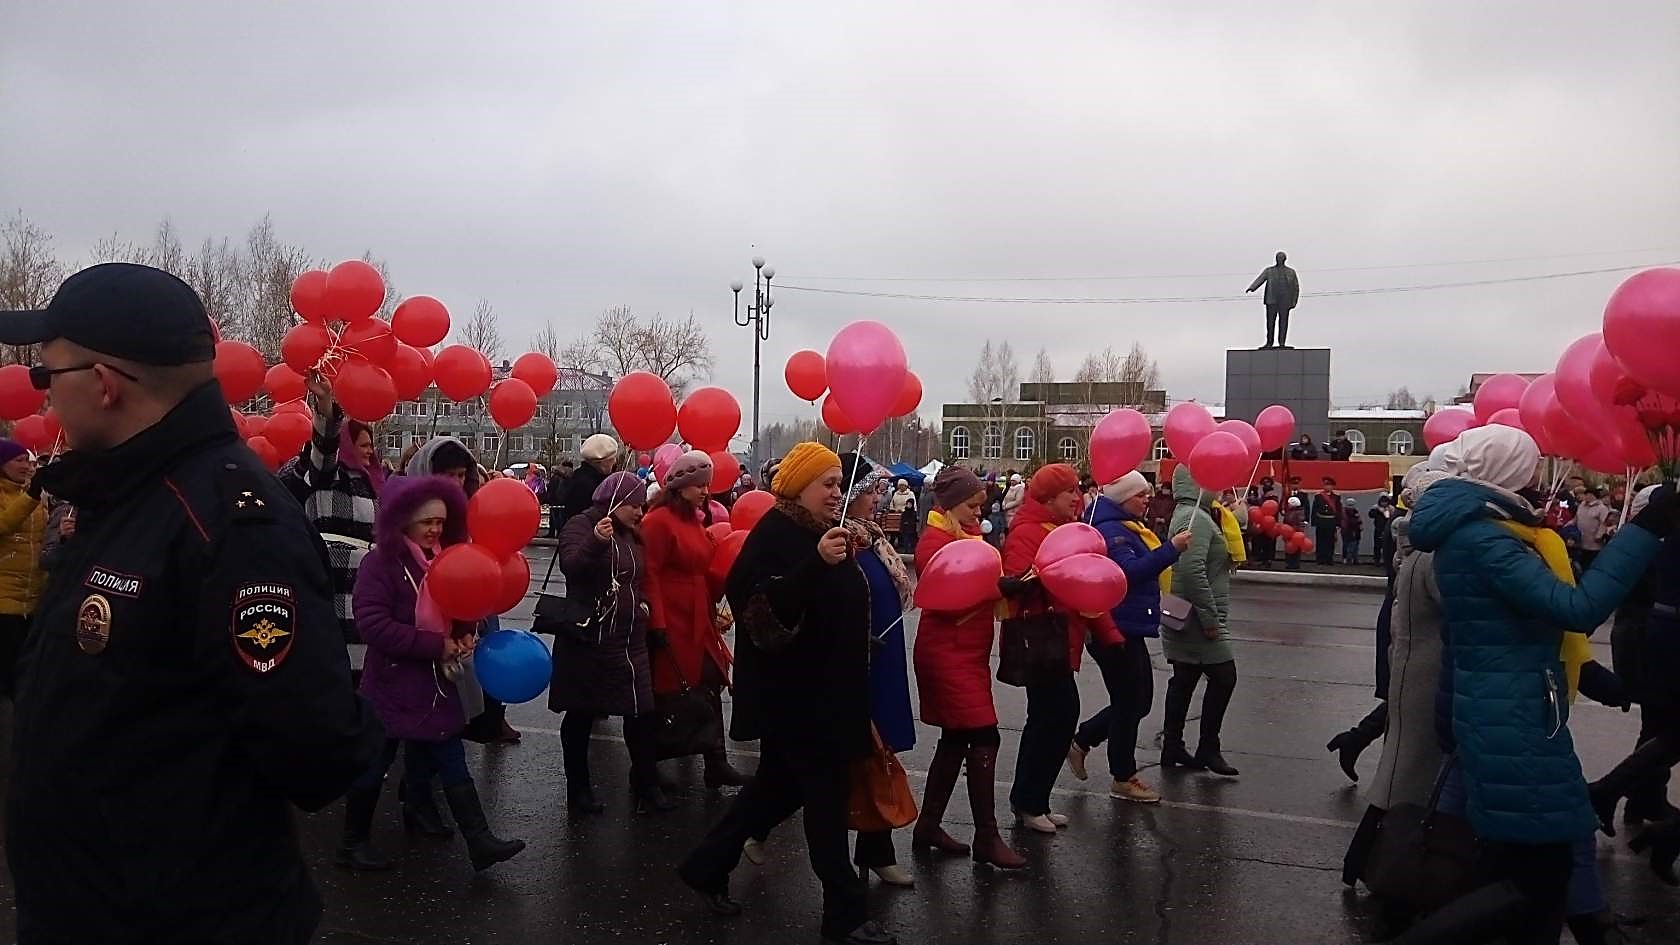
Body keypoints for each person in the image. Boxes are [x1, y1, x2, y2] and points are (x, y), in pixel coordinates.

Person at [3, 262, 382, 944]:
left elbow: (317, 746)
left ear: (103, 383)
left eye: (46, 376)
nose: (43, 398)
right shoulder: (123, 493)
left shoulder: (229, 521)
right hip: (89, 906)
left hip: (178, 918)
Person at [1402, 425, 1673, 944]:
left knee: (1521, 869)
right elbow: (1578, 609)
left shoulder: (1482, 531)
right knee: (1534, 878)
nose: (1534, 478)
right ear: (1505, 472)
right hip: (1512, 718)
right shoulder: (1483, 538)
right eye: (1528, 467)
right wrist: (1644, 530)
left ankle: (1587, 919)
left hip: (1513, 709)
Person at [679, 442, 897, 945]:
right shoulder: (779, 531)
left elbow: (831, 608)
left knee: (775, 791)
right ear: (800, 484)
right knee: (825, 804)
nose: (837, 493)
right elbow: (757, 606)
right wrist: (815, 566)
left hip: (830, 693)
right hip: (802, 701)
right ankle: (843, 916)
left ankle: (705, 865)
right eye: (828, 483)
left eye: (839, 484)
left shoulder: (821, 532)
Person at [348, 473, 525, 872]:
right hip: (393, 683)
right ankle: (352, 842)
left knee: (451, 757)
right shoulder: (380, 563)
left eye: (441, 522)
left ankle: (479, 841)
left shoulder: (444, 559)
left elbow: (460, 604)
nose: (435, 529)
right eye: (427, 521)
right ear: (403, 520)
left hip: (436, 681)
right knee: (375, 764)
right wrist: (436, 645)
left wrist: (464, 633)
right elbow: (372, 625)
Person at [909, 466, 1026, 869]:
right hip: (946, 655)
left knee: (957, 740)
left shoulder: (968, 536)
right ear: (950, 503)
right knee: (984, 737)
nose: (980, 512)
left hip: (967, 654)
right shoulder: (934, 542)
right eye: (973, 505)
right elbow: (948, 595)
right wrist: (1001, 587)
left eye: (981, 505)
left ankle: (928, 826)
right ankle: (987, 837)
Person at [1341, 464, 1448, 885]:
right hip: (1413, 648)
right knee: (1408, 762)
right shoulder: (1423, 547)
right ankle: (1385, 868)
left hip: (1404, 641)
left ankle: (1352, 742)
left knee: (1402, 748)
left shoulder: (1412, 537)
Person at [1001, 463, 1122, 831]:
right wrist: (1045, 572)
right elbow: (1020, 578)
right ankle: (1027, 802)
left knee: (1056, 718)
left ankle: (1035, 800)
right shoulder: (1026, 533)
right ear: (1049, 497)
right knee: (1052, 718)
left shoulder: (1064, 530)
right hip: (1042, 640)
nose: (1077, 497)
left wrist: (1110, 633)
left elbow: (1087, 582)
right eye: (1070, 491)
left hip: (1061, 639)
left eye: (1078, 490)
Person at [1068, 470, 1190, 803]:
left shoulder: (1126, 526)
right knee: (1130, 702)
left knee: (1137, 701)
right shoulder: (1112, 530)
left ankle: (1084, 740)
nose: (1147, 499)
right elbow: (1127, 574)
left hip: (1128, 625)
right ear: (1123, 498)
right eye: (1141, 495)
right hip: (1113, 625)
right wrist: (1171, 550)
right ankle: (1122, 776)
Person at [551, 471, 666, 815]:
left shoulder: (632, 534)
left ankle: (648, 785)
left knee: (642, 711)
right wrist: (596, 542)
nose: (640, 512)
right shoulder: (581, 525)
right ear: (613, 502)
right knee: (581, 714)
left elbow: (638, 576)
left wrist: (643, 604)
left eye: (642, 505)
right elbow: (572, 567)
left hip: (629, 639)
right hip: (591, 638)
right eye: (633, 505)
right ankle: (579, 791)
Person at [642, 450, 749, 789]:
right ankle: (648, 765)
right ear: (681, 486)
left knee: (708, 683)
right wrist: (657, 623)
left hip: (697, 616)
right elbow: (650, 575)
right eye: (700, 485)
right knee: (671, 692)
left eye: (707, 484)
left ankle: (715, 761)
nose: (706, 491)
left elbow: (703, 568)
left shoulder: (693, 519)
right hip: (673, 618)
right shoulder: (658, 522)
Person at [407, 436, 519, 746]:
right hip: (424, 621)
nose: (456, 482)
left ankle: (486, 721)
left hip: (468, 612)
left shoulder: (470, 510)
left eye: (460, 475)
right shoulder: (410, 514)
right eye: (448, 475)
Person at [837, 454, 917, 886]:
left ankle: (875, 850)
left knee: (879, 754)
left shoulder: (872, 538)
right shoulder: (838, 541)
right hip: (856, 662)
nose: (876, 498)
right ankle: (754, 828)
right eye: (868, 491)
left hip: (884, 659)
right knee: (848, 759)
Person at [282, 371, 384, 680]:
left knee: (368, 664)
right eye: (362, 444)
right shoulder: (326, 474)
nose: (369, 450)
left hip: (367, 583)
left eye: (371, 444)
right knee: (335, 659)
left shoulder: (374, 481)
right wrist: (325, 404)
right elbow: (324, 448)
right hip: (334, 579)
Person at [1160, 465, 1240, 777]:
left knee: (1184, 679)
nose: (1219, 487)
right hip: (1197, 617)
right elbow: (1191, 572)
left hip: (1185, 611)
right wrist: (1209, 618)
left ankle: (1173, 746)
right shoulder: (1194, 518)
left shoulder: (1197, 514)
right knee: (1224, 677)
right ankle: (1208, 747)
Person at [0, 440, 45, 700]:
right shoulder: (29, 498)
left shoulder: (32, 498)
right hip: (4, 603)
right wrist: (31, 496)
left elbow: (39, 545)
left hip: (32, 602)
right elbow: (4, 524)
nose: (27, 466)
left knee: (24, 677)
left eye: (28, 461)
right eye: (19, 460)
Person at [558, 433, 618, 530]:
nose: (614, 462)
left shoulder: (580, 477)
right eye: (612, 459)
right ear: (601, 462)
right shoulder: (586, 485)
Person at [1247, 249, 1300, 349]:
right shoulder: (1269, 271)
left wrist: (1294, 301)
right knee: (1270, 322)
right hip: (1272, 299)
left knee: (1283, 321)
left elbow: (1296, 287)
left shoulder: (1291, 272)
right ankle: (1269, 342)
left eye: (1281, 258)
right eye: (1278, 258)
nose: (1279, 259)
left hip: (1285, 300)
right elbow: (1261, 279)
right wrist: (1252, 287)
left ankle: (1282, 343)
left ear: (1284, 259)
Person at [1574, 487, 1611, 570]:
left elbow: (1604, 523)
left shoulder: (1602, 508)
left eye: (1589, 494)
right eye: (1586, 494)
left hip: (1594, 543)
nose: (1587, 496)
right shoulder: (1581, 506)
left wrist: (1599, 535)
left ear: (1594, 496)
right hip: (1580, 541)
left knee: (1591, 563)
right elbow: (1576, 518)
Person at [1311, 477, 1342, 565]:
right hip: (1321, 520)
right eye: (1326, 485)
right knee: (1320, 540)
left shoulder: (1336, 497)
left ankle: (1329, 559)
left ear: (1332, 487)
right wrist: (1314, 521)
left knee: (1330, 541)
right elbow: (1315, 509)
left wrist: (1338, 523)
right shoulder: (1318, 496)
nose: (1327, 487)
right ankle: (1320, 558)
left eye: (1329, 485)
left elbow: (1338, 510)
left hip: (1331, 521)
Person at [889, 478, 919, 551]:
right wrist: (893, 509)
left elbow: (912, 504)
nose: (901, 487)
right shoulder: (895, 493)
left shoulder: (910, 493)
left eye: (903, 485)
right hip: (896, 515)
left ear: (906, 486)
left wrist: (904, 510)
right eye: (900, 485)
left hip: (906, 515)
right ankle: (896, 544)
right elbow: (892, 503)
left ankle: (905, 546)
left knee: (906, 532)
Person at [544, 461, 571, 537]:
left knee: (555, 518)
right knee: (559, 518)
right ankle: (558, 533)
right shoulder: (568, 477)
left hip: (556, 500)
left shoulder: (557, 477)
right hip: (561, 501)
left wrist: (549, 498)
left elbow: (552, 489)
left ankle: (554, 533)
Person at [1369, 495, 1397, 567]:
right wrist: (1378, 511)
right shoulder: (1376, 508)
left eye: (1385, 502)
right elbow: (1371, 515)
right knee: (1377, 546)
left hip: (1387, 529)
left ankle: (1386, 560)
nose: (1384, 504)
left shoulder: (1391, 509)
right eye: (1382, 502)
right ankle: (1377, 560)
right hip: (1378, 529)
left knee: (1387, 546)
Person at [1282, 495, 1306, 570]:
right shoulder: (1289, 512)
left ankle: (1295, 564)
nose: (1288, 505)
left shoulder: (1299, 512)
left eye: (1289, 503)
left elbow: (1301, 523)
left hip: (1296, 533)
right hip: (1288, 533)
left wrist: (1297, 531)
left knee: (1296, 549)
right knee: (1288, 548)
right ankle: (1289, 563)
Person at [1340, 498, 1363, 565]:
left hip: (1355, 530)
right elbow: (1347, 521)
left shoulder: (1355, 511)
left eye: (1352, 504)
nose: (1351, 506)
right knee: (1348, 545)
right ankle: (1347, 558)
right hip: (1347, 530)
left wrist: (1360, 525)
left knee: (1355, 545)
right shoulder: (1344, 512)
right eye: (1349, 504)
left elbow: (1359, 520)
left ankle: (1354, 558)